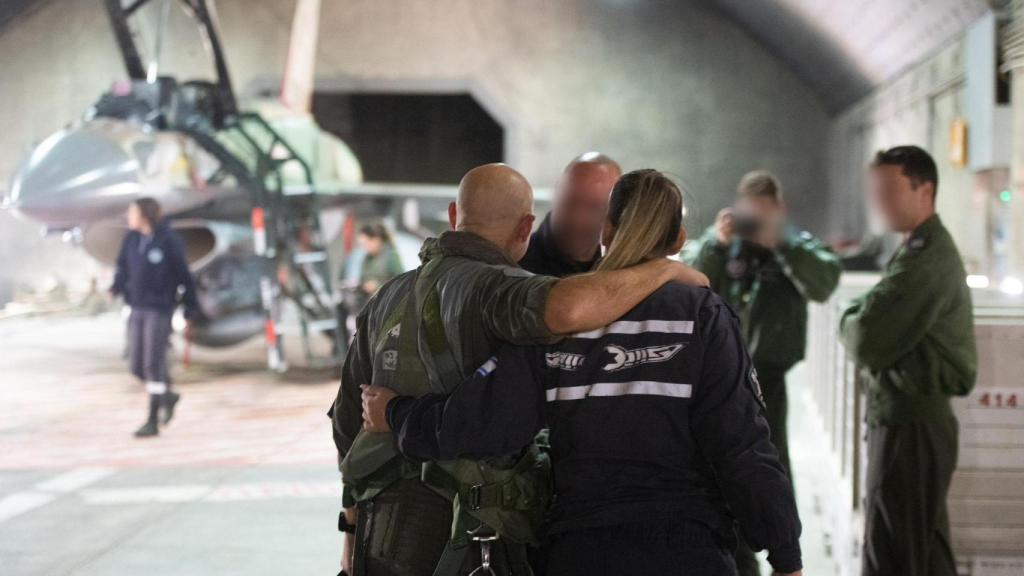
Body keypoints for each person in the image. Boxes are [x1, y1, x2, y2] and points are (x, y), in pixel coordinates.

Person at [361, 169, 803, 576]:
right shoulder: (703, 318)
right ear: (679, 240)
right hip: (690, 550)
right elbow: (741, 447)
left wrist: (397, 413)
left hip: (582, 550)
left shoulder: (561, 321)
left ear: (605, 231)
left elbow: (482, 424)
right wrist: (785, 554)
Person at [840, 146, 976, 576]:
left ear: (925, 189)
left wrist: (849, 319)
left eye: (889, 189)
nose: (878, 200)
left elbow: (866, 339)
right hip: (910, 423)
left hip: (909, 426)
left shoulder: (927, 257)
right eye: (874, 190)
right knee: (924, 552)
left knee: (892, 555)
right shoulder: (915, 250)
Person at [110, 197, 199, 438]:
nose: (128, 217)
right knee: (137, 366)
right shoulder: (131, 240)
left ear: (144, 215)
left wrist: (190, 306)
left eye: (132, 213)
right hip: (136, 307)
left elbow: (184, 275)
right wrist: (116, 287)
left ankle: (152, 419)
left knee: (153, 363)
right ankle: (168, 395)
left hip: (159, 309)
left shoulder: (169, 241)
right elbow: (122, 267)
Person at [519, 152, 621, 277]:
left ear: (616, 210)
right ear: (556, 193)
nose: (577, 219)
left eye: (595, 207)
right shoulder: (516, 264)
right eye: (570, 201)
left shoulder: (626, 268)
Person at [354, 223, 404, 309]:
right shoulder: (367, 259)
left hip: (387, 302)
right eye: (362, 245)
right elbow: (362, 278)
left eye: (366, 243)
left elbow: (401, 281)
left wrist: (378, 286)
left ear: (376, 240)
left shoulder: (390, 257)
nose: (365, 248)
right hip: (370, 301)